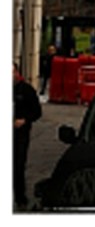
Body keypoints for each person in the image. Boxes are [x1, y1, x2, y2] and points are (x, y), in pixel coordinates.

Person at [13, 62, 42, 210]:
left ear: (17, 73)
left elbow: (37, 112)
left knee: (17, 166)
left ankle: (20, 198)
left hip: (20, 135)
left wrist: (24, 120)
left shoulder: (26, 90)